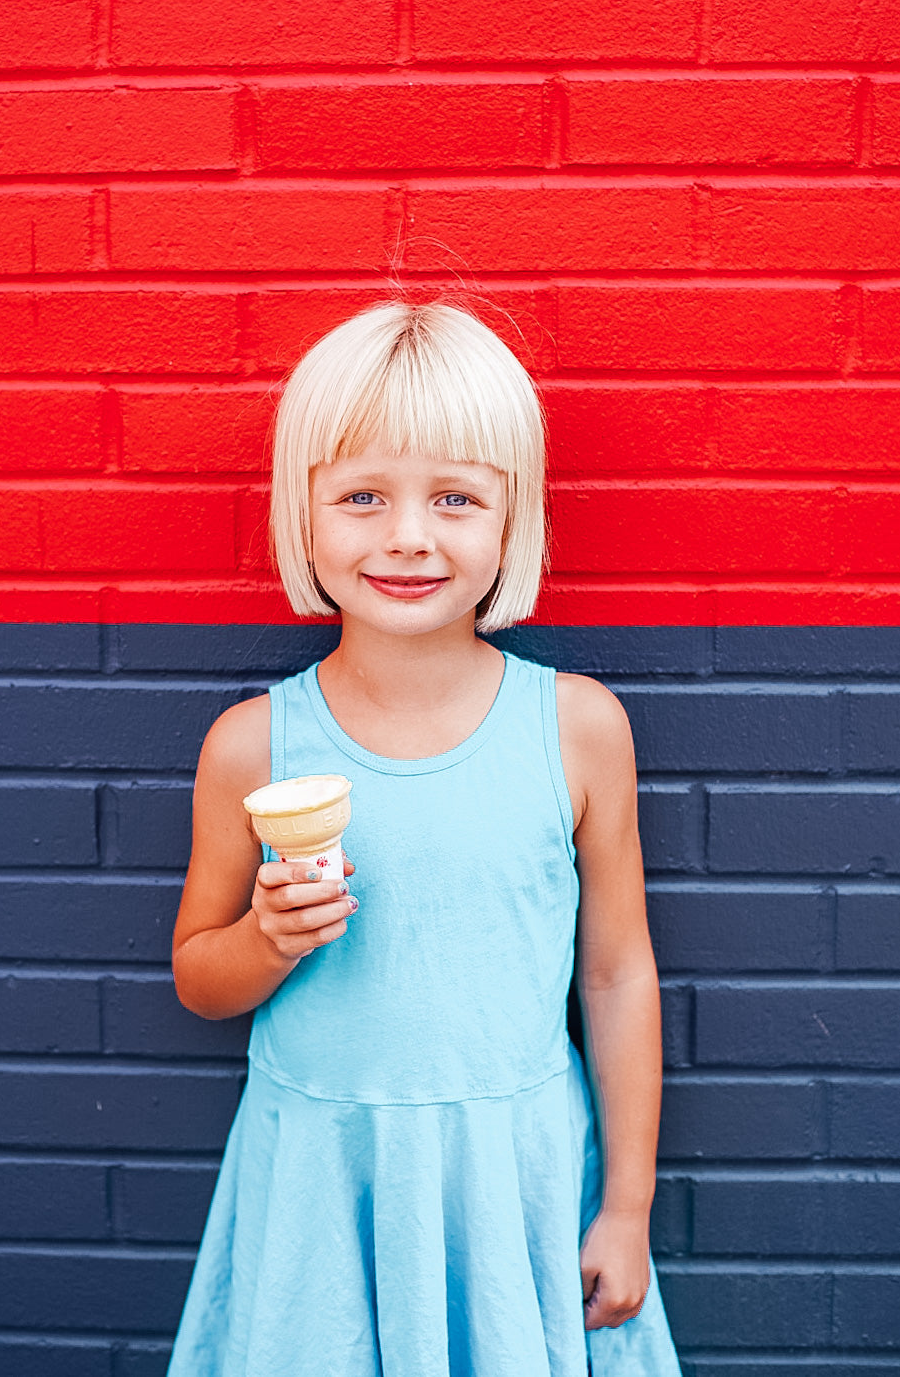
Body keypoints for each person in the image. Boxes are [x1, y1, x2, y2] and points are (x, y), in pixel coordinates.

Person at [167, 302, 682, 1377]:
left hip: (512, 1174)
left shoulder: (578, 728)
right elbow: (199, 979)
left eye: (455, 497)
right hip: (321, 1173)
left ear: (513, 520)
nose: (408, 534)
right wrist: (266, 939)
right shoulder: (251, 743)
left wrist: (625, 1204)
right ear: (301, 514)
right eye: (362, 496)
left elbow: (619, 974)